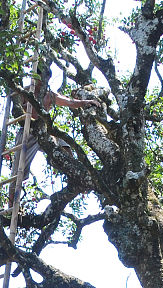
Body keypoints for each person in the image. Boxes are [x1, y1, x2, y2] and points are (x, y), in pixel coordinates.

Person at [7, 65, 103, 206]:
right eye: (40, 79)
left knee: (64, 143)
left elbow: (70, 102)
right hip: (28, 132)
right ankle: (12, 207)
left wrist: (85, 102)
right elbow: (15, 111)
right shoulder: (24, 92)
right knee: (18, 173)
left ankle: (75, 175)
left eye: (45, 79)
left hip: (44, 130)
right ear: (35, 77)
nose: (42, 82)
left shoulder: (49, 94)